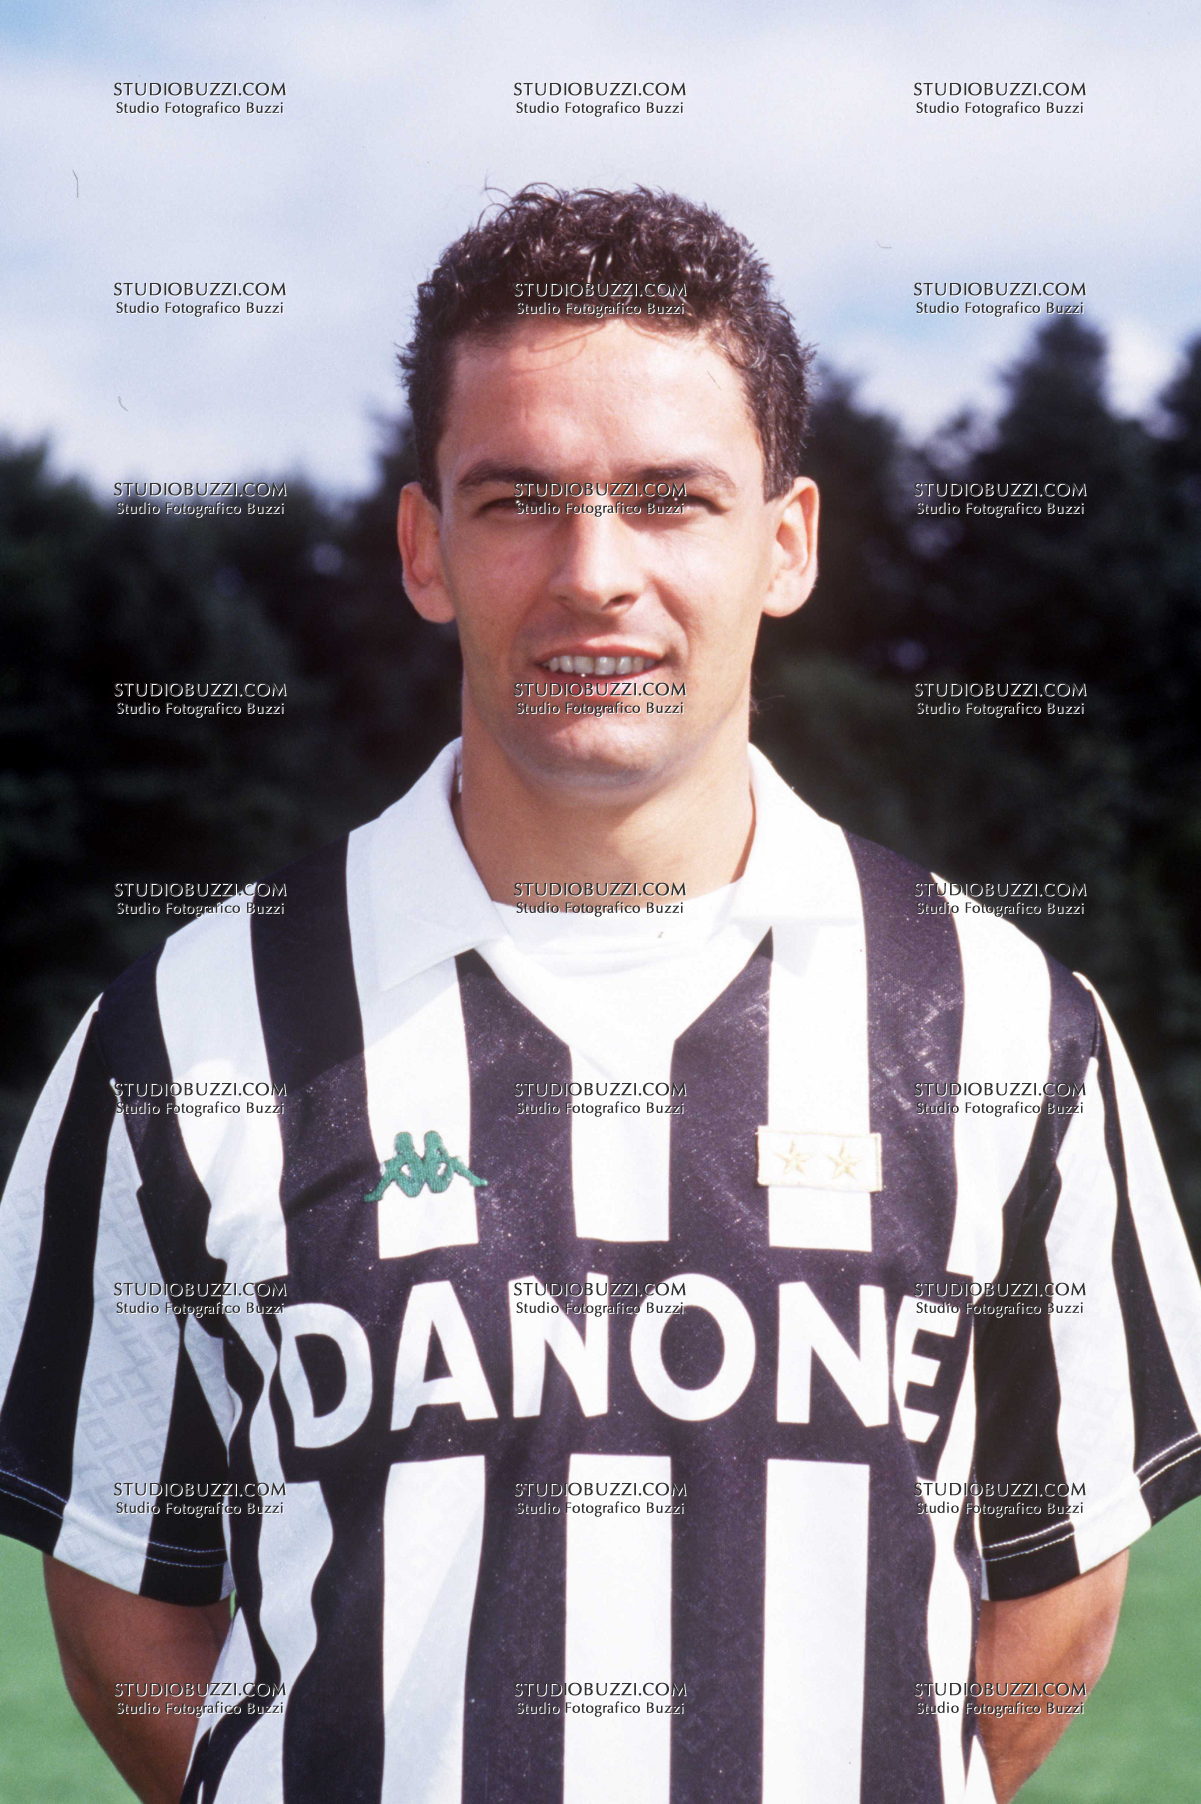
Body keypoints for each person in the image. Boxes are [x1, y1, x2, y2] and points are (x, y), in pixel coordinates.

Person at [2, 185, 1200, 1804]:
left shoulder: (1005, 1026)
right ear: (425, 548)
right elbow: (127, 1605)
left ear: (786, 543)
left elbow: (1053, 1602)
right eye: (519, 499)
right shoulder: (184, 1034)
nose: (594, 574)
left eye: (669, 499)